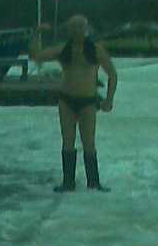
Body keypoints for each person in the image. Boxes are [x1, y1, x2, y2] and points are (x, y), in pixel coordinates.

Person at [30, 15, 117, 192]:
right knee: (67, 141)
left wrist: (109, 99)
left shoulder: (95, 50)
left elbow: (113, 75)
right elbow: (36, 56)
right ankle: (68, 182)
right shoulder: (63, 49)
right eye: (73, 27)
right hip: (67, 100)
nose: (77, 30)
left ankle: (93, 182)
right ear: (68, 29)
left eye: (80, 26)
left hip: (87, 101)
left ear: (86, 28)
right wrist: (36, 33)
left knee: (89, 142)